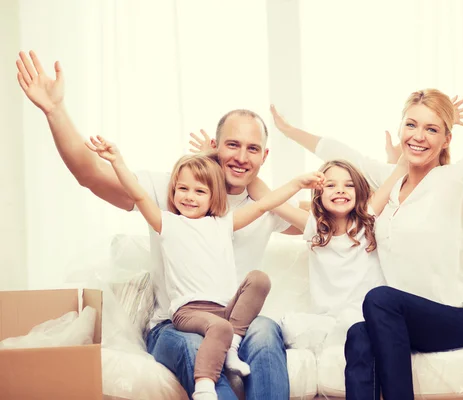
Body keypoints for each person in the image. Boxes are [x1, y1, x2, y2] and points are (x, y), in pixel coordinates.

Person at [266, 28, 463, 399]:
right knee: (358, 333)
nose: (419, 136)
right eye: (412, 125)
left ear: (446, 139)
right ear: (401, 128)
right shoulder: (389, 185)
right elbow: (339, 150)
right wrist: (288, 131)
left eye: (432, 128)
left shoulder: (458, 180)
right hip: (406, 319)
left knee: (378, 299)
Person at [16, 51, 298, 399]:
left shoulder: (265, 209)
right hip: (175, 323)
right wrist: (55, 111)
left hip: (239, 325)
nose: (241, 157)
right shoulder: (175, 192)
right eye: (233, 145)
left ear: (264, 157)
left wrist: (257, 185)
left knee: (268, 337)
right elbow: (90, 174)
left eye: (253, 149)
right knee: (196, 353)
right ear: (214, 146)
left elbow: (319, 226)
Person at [87, 136, 323, 399]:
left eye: (199, 192)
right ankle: (204, 387)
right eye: (182, 189)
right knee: (219, 329)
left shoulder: (222, 225)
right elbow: (139, 194)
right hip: (187, 311)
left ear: (214, 197)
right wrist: (117, 161)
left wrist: (297, 183)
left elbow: (264, 205)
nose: (189, 197)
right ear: (172, 191)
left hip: (222, 311)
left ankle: (231, 344)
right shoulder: (167, 223)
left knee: (258, 280)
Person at [248, 158, 405, 327]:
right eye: (330, 185)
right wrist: (297, 183)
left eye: (349, 185)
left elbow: (401, 170)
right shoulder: (315, 227)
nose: (340, 190)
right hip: (326, 321)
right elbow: (261, 193)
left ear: (359, 191)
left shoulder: (368, 218)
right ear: (318, 194)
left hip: (366, 317)